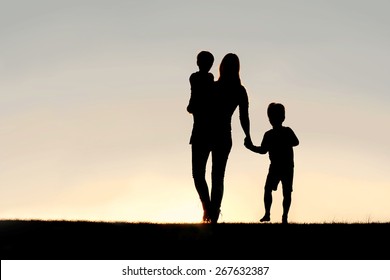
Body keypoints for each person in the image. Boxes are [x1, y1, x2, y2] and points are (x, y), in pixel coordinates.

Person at [205, 53, 252, 223]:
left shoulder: (214, 86)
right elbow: (243, 117)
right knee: (217, 176)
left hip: (212, 133)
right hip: (223, 134)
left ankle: (211, 212)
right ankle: (212, 212)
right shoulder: (239, 90)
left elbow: (243, 117)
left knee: (213, 176)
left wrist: (248, 135)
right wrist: (248, 136)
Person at [245, 102, 299, 224]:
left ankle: (279, 215)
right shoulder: (273, 134)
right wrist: (251, 147)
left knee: (281, 191)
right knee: (277, 190)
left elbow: (295, 142)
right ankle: (273, 214)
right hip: (281, 166)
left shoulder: (274, 133)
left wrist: (251, 147)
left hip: (283, 166)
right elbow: (264, 150)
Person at [187, 51, 216, 223]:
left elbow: (193, 103)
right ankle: (208, 208)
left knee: (198, 174)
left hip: (200, 131)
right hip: (206, 130)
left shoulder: (196, 78)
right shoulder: (209, 79)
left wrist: (192, 107)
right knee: (202, 174)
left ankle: (207, 208)